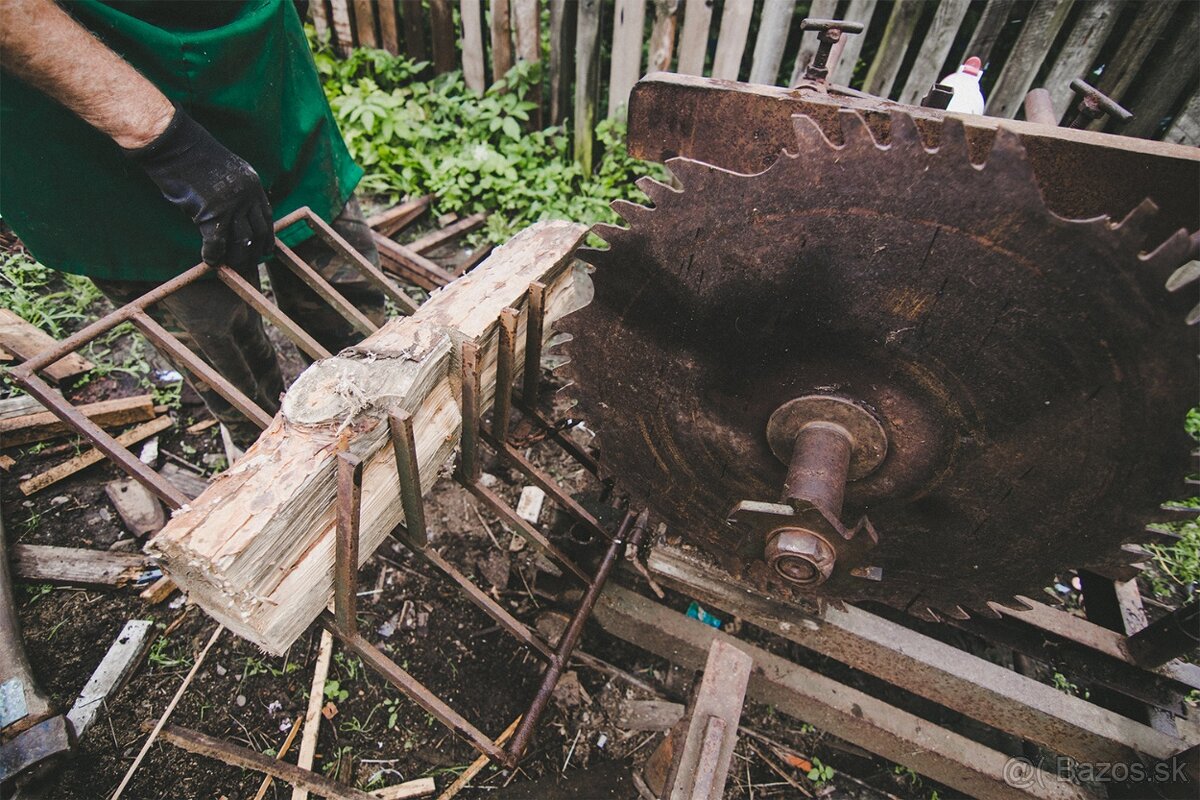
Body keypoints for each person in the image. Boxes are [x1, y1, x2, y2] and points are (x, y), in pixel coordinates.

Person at [0, 0, 387, 446]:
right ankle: (272, 458)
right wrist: (166, 144)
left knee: (342, 286)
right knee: (219, 341)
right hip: (83, 110)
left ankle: (373, 417)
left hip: (255, 58)